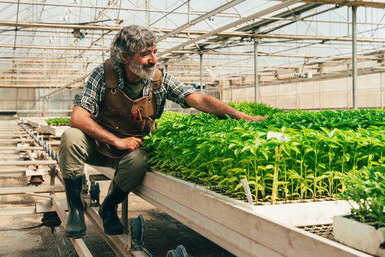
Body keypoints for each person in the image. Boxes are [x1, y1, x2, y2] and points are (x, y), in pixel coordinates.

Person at [58, 25, 266, 238]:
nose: (154, 59)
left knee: (140, 160)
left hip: (132, 150)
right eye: (145, 54)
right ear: (125, 57)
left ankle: (109, 206)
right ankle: (75, 210)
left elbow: (197, 98)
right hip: (100, 145)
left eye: (155, 52)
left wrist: (241, 116)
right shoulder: (103, 74)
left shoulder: (159, 79)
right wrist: (117, 140)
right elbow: (78, 118)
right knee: (70, 137)